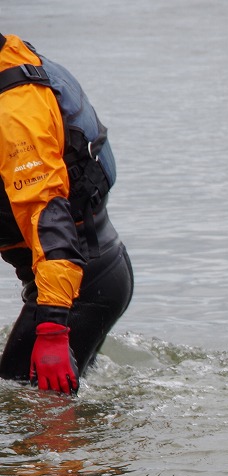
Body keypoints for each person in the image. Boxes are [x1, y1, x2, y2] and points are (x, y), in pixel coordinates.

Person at [0, 34, 134, 394]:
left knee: (36, 423)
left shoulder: (15, 112)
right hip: (91, 271)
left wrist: (53, 330)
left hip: (80, 286)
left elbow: (49, 218)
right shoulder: (11, 57)